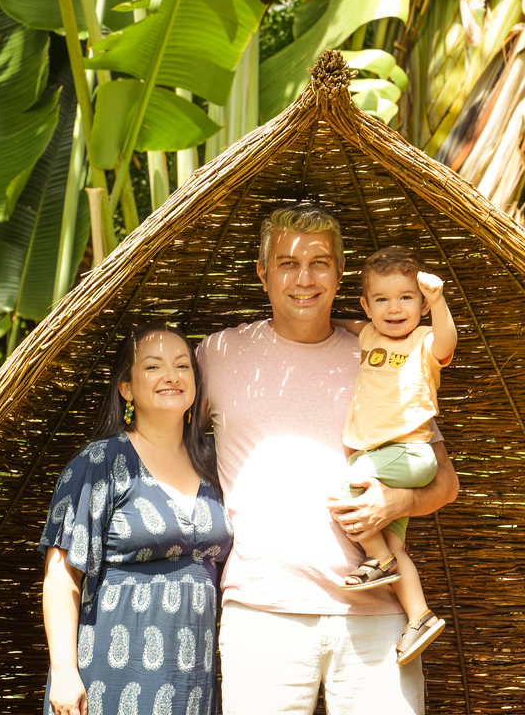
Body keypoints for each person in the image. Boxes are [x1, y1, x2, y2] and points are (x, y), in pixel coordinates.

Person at [197, 203, 460, 715]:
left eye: (320, 262)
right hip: (262, 611)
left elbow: (445, 479)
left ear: (340, 275)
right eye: (287, 263)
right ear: (262, 273)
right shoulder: (218, 356)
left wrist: (399, 499)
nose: (304, 278)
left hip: (377, 618)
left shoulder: (385, 354)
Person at [39, 324, 232, 715]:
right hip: (109, 674)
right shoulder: (100, 462)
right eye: (153, 367)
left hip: (192, 681)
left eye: (183, 366)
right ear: (126, 388)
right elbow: (62, 575)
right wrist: (63, 670)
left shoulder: (216, 462)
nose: (171, 376)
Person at [335, 246, 457, 666]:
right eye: (382, 299)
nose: (394, 308)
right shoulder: (367, 333)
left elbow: (446, 341)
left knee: (345, 492)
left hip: (411, 454)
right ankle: (419, 615)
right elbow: (346, 325)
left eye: (406, 297)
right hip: (388, 461)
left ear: (421, 304)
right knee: (391, 538)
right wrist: (322, 320)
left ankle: (380, 562)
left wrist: (439, 302)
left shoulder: (423, 340)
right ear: (367, 305)